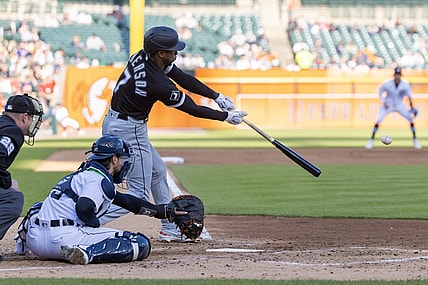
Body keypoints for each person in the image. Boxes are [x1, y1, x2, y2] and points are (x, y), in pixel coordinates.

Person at [101, 25, 247, 242]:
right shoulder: (158, 83)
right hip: (128, 129)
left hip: (121, 123)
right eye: (172, 50)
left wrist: (216, 96)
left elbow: (182, 77)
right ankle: (83, 219)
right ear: (161, 53)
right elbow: (191, 108)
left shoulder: (142, 56)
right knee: (138, 195)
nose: (176, 53)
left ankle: (169, 228)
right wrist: (224, 117)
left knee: (158, 170)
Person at [21, 135, 186, 264]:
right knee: (140, 243)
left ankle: (21, 243)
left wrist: (161, 211)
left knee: (39, 207)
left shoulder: (83, 175)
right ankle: (88, 253)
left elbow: (128, 201)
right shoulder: (98, 180)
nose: (124, 163)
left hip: (37, 243)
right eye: (122, 159)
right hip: (64, 240)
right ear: (114, 159)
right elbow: (84, 207)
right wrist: (93, 227)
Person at [0, 94, 44, 261]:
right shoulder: (13, 131)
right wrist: (6, 180)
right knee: (13, 198)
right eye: (32, 117)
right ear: (25, 117)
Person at [365, 67, 421, 149]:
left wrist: (412, 107)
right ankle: (371, 139)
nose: (397, 76)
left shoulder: (405, 85)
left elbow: (409, 97)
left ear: (401, 75)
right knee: (378, 120)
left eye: (398, 75)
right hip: (388, 104)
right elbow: (380, 93)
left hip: (399, 104)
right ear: (394, 75)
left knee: (410, 119)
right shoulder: (387, 83)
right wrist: (384, 101)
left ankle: (415, 139)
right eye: (396, 74)